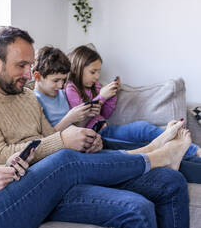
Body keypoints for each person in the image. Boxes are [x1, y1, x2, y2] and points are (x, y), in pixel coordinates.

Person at [0, 26, 191, 228]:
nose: (29, 74)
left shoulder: (26, 96)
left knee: (171, 182)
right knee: (137, 210)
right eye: (21, 66)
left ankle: (154, 155)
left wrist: (83, 143)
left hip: (66, 171)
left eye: (30, 65)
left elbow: (49, 136)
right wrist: (62, 141)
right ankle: (152, 153)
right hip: (34, 189)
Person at [65, 45, 201, 158]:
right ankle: (191, 151)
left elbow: (105, 114)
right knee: (142, 137)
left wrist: (112, 96)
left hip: (107, 129)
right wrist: (101, 97)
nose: (97, 76)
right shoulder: (71, 88)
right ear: (78, 68)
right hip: (95, 136)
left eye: (98, 72)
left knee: (143, 129)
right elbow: (80, 119)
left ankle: (191, 151)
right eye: (93, 72)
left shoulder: (96, 86)